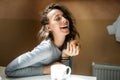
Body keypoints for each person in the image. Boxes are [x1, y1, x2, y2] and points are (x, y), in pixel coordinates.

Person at [5, 3, 80, 77]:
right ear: (48, 27)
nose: (65, 20)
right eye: (57, 18)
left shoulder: (67, 44)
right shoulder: (47, 49)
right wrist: (47, 69)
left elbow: (65, 75)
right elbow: (9, 70)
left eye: (65, 17)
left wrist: (65, 55)